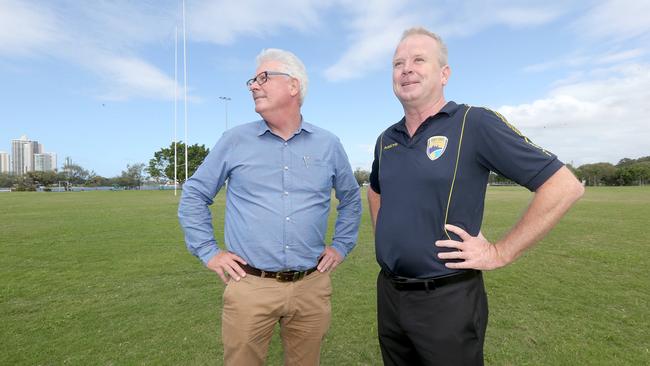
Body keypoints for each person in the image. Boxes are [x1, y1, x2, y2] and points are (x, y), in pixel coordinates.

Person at [367, 27, 584, 365]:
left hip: (447, 298)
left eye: (418, 60)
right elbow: (376, 190)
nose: (406, 69)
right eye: (398, 63)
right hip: (391, 295)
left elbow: (563, 185)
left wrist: (500, 252)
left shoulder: (473, 123)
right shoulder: (386, 139)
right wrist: (387, 239)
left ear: (444, 74)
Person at [178, 48, 361, 366]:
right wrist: (209, 251)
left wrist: (342, 245)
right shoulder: (234, 140)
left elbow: (351, 200)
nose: (253, 85)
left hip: (311, 286)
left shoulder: (328, 144)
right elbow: (194, 195)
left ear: (294, 86)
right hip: (250, 286)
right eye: (253, 79)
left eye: (263, 77)